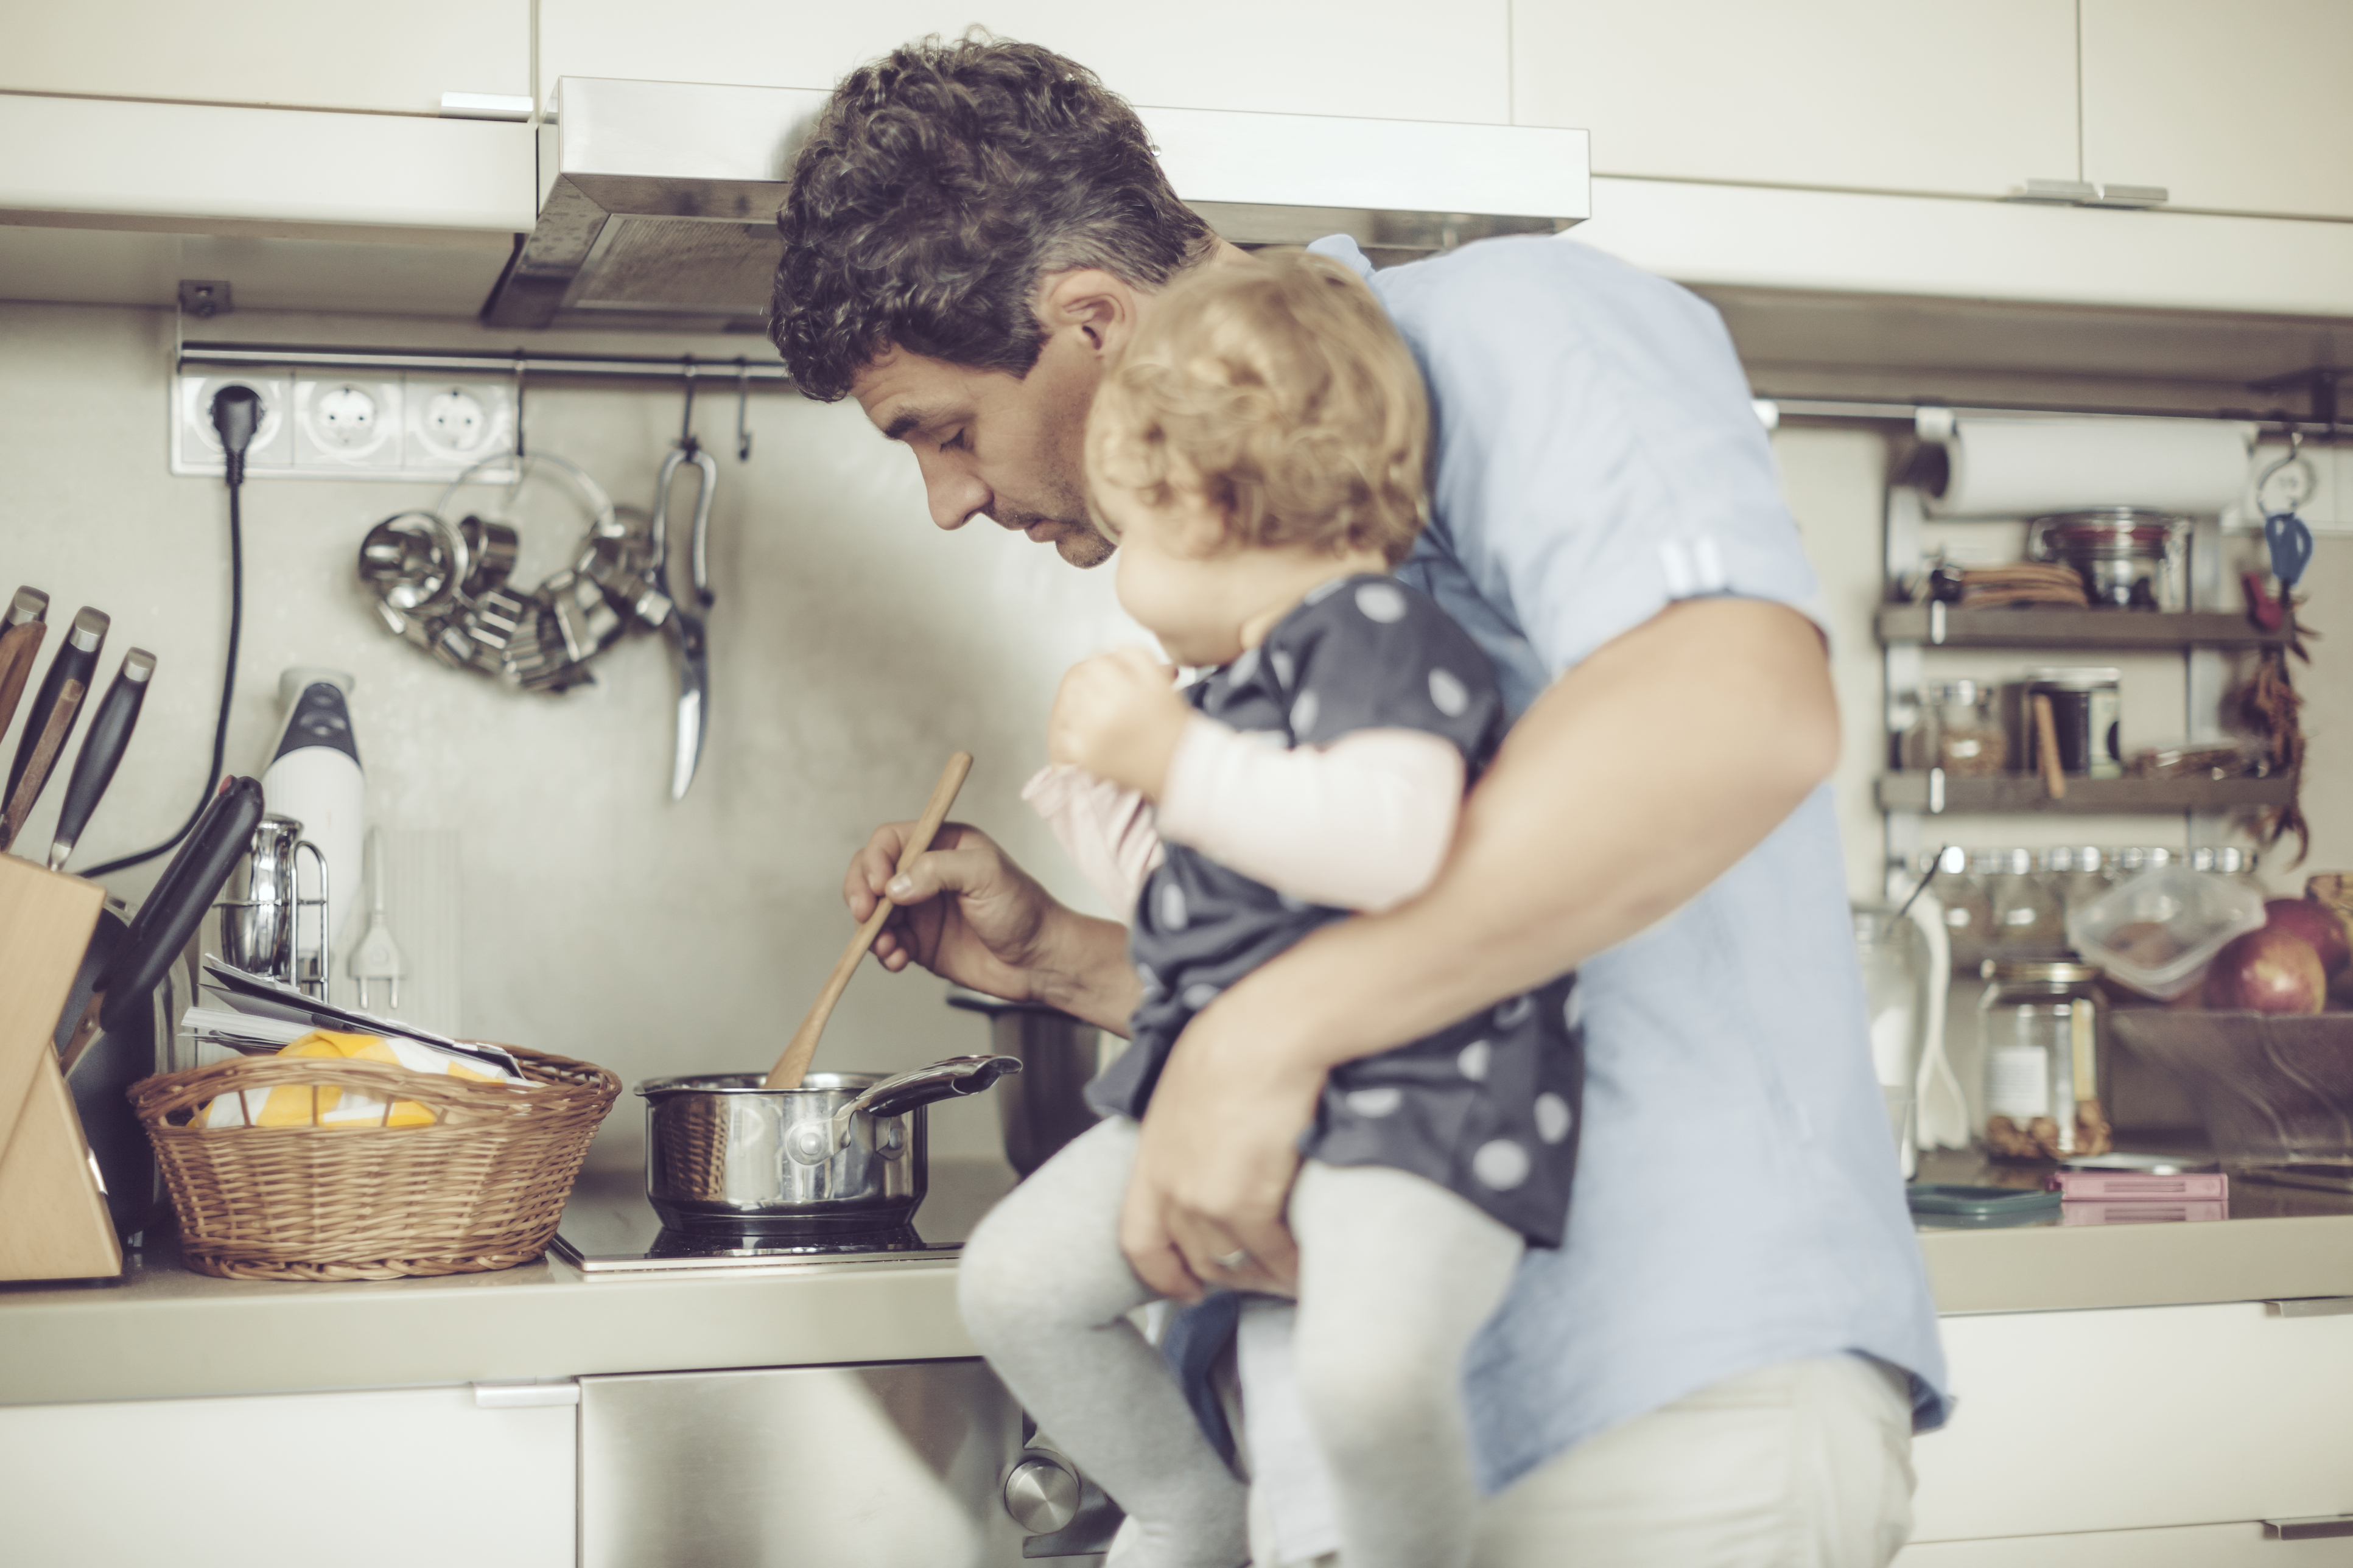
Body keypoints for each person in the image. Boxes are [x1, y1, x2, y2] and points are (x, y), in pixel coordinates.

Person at [777, 33, 1948, 1567]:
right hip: (1369, 1451)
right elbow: (1407, 953)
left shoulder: (1506, 326)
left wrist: (1272, 1026)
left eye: (941, 428)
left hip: (1647, 1403)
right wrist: (1070, 958)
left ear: (1089, 320)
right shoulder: (1249, 562)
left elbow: (1739, 709)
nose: (948, 498)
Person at [959, 250, 1583, 1568]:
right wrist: (1110, 802)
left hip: (1404, 1112)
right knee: (1013, 1283)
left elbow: (1391, 846)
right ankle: (1189, 1502)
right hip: (1246, 1105)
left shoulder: (1376, 632)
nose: (1119, 567)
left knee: (1366, 1382)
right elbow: (1229, 927)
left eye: (1127, 530)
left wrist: (1167, 758)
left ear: (1205, 503)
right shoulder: (1254, 686)